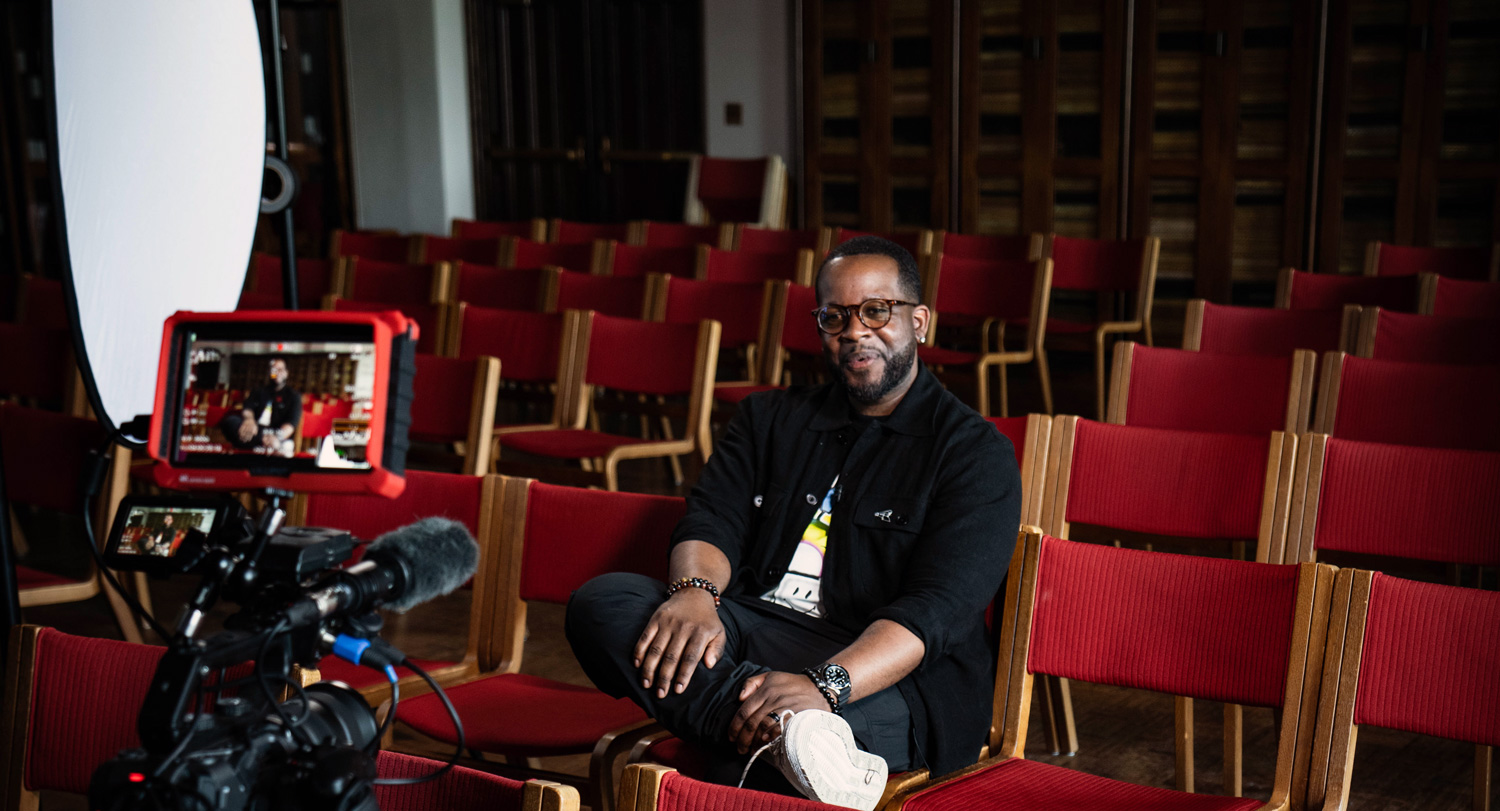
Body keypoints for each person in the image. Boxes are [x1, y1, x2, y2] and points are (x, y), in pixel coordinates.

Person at [566, 236, 1021, 809]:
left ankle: (768, 731)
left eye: (876, 311)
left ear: (919, 321)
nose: (854, 331)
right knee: (603, 603)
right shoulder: (767, 418)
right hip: (757, 629)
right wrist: (695, 593)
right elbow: (713, 519)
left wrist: (824, 686)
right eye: (835, 316)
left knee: (751, 757)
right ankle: (784, 734)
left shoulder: (975, 453)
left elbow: (934, 612)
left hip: (888, 674)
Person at [219, 356, 301, 457]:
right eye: (274, 370)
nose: (277, 373)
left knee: (244, 438)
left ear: (286, 373)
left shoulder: (293, 396)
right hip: (255, 430)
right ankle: (262, 442)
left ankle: (256, 443)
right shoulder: (258, 391)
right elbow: (247, 408)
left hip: (276, 433)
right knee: (230, 421)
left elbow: (291, 424)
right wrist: (249, 419)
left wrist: (276, 437)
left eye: (280, 369)